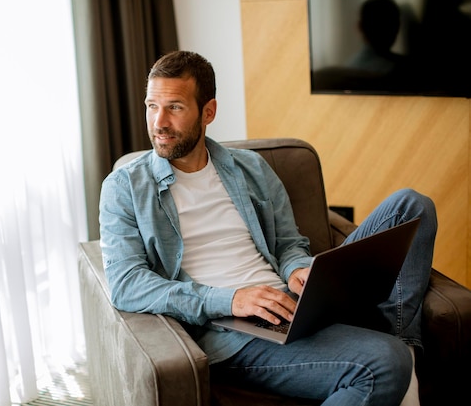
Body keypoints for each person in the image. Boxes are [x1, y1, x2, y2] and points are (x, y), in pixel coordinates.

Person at [99, 50, 437, 406]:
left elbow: (289, 243)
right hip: (230, 329)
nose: (159, 122)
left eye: (175, 107)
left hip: (291, 304)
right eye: (152, 106)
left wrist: (297, 269)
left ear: (208, 111)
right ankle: (401, 359)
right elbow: (126, 284)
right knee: (384, 362)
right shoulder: (125, 187)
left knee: (413, 207)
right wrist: (231, 299)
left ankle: (397, 346)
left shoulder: (250, 168)